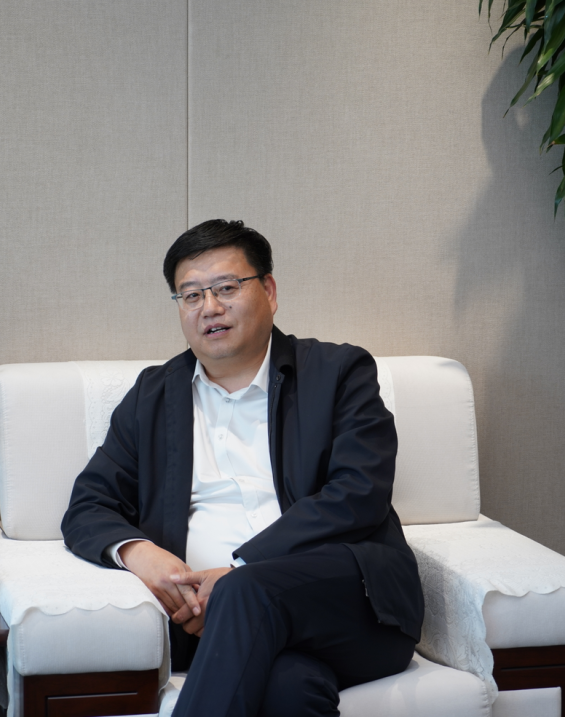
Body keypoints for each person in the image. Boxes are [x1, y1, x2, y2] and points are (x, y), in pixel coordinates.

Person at [61, 219, 423, 717]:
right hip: (208, 626)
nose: (209, 307)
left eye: (227, 288)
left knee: (245, 590)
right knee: (291, 691)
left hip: (352, 610)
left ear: (269, 291)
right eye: (191, 295)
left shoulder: (338, 373)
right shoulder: (153, 396)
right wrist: (142, 555)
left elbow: (359, 493)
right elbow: (88, 504)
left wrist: (239, 570)